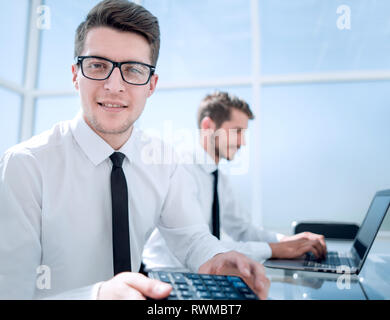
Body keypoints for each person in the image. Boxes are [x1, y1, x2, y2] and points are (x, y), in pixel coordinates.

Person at [0, 0, 269, 300]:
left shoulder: (163, 161)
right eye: (98, 65)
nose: (114, 85)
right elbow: (11, 294)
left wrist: (218, 257)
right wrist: (98, 296)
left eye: (133, 69)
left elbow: (191, 238)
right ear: (76, 75)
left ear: (151, 85)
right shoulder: (25, 166)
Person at [143, 91, 327, 270]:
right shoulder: (181, 169)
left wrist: (286, 241)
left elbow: (242, 229)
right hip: (169, 273)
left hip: (198, 272)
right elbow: (201, 244)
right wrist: (275, 249)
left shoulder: (217, 178)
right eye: (237, 131)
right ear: (208, 126)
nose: (243, 142)